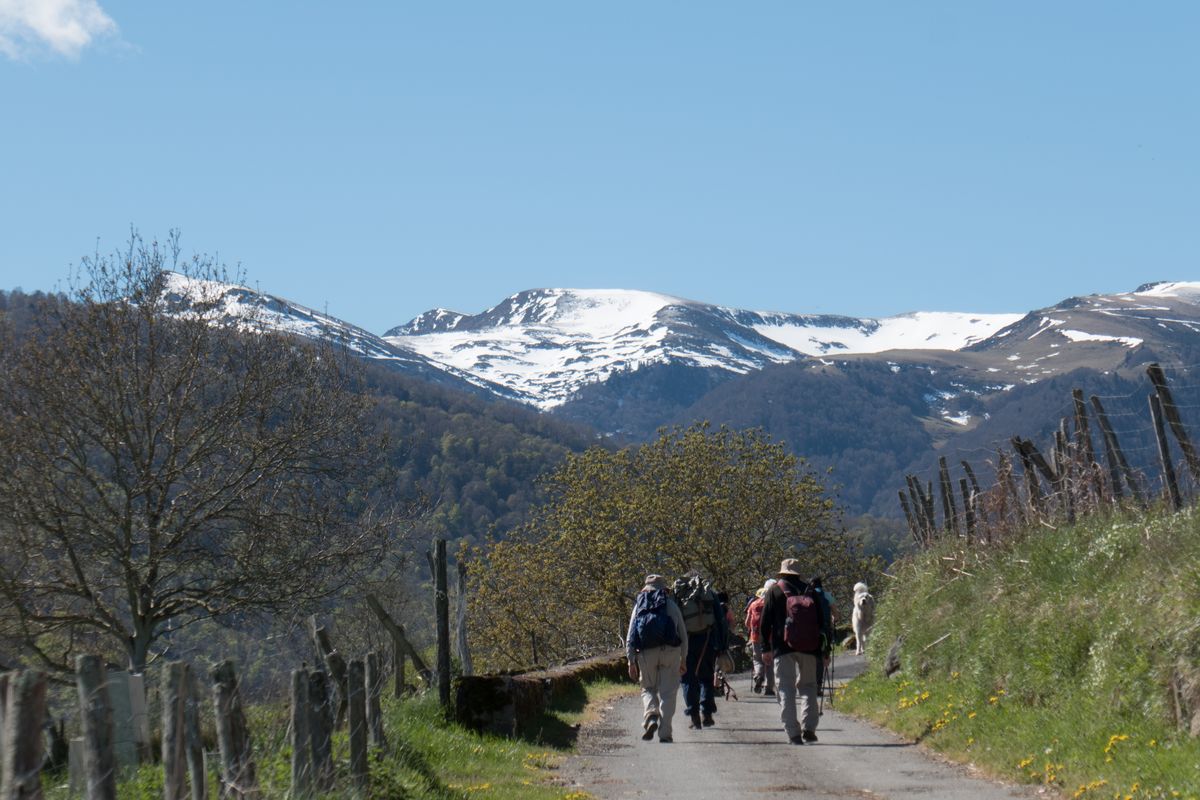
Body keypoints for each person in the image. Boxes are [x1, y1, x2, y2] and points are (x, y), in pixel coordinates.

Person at [758, 558, 833, 745]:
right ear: (799, 573)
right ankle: (809, 728)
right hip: (810, 646)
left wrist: (765, 648)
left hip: (783, 648)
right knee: (808, 687)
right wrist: (825, 650)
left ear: (782, 573)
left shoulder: (775, 591)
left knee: (786, 688)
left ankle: (793, 733)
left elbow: (764, 622)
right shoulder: (811, 592)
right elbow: (824, 622)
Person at [626, 574, 687, 742]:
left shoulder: (640, 605)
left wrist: (631, 660)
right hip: (670, 652)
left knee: (647, 688)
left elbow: (631, 635)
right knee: (668, 693)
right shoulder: (671, 605)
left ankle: (651, 713)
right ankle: (665, 734)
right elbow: (683, 634)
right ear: (663, 589)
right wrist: (684, 659)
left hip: (646, 653)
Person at [673, 572, 729, 729]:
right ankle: (707, 713)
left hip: (685, 642)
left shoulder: (679, 594)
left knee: (687, 679)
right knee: (706, 678)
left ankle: (694, 716)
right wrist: (722, 645)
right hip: (708, 640)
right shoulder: (709, 593)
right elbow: (720, 620)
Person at [744, 580, 776, 695]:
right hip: (770, 637)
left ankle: (758, 676)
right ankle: (769, 688)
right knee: (770, 662)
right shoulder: (773, 604)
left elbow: (747, 623)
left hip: (755, 637)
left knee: (758, 660)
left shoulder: (753, 604)